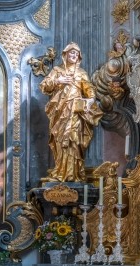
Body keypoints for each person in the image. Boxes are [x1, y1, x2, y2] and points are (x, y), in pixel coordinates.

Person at [40, 42, 103, 182]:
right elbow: (44, 86)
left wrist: (90, 100)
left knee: (74, 140)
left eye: (76, 53)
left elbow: (89, 89)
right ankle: (60, 170)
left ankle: (74, 173)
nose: (74, 55)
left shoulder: (81, 73)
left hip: (75, 111)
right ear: (65, 54)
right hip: (59, 112)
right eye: (71, 53)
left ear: (79, 56)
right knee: (59, 139)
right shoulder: (57, 70)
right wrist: (58, 80)